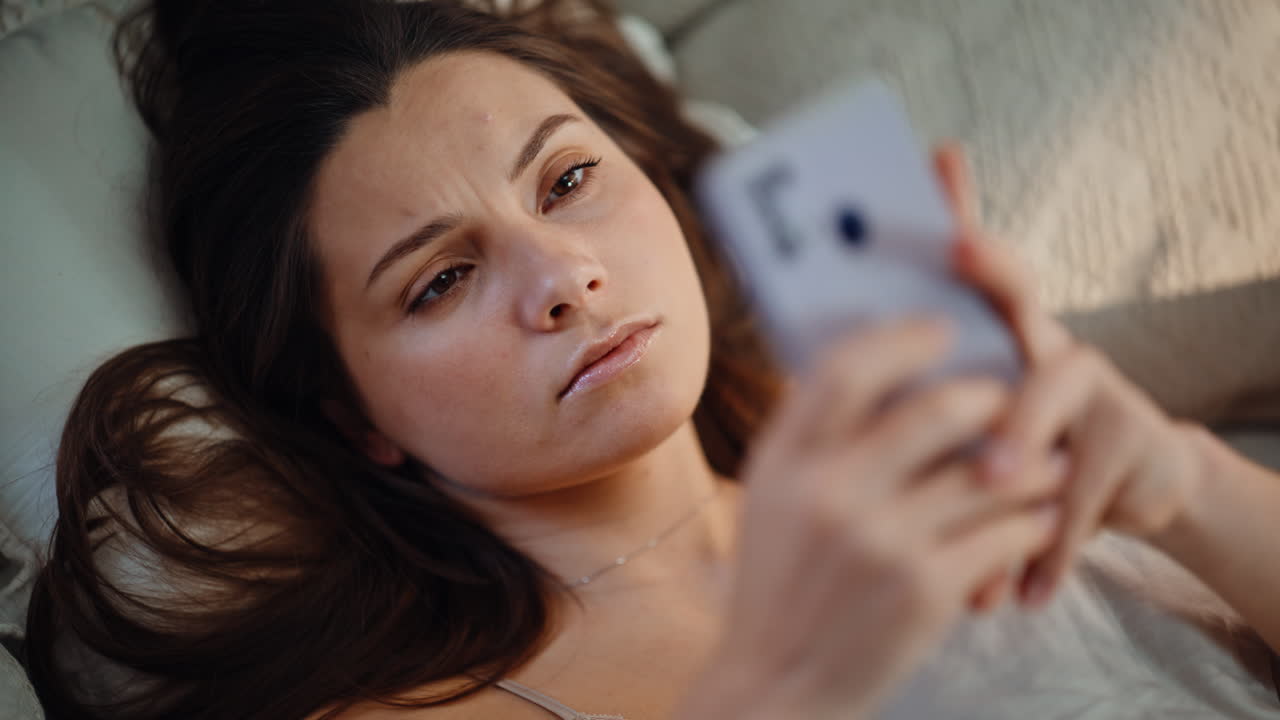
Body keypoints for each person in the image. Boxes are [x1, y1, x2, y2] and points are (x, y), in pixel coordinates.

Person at [21, 1, 1280, 718]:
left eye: (568, 180)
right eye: (441, 279)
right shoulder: (426, 710)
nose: (561, 277)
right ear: (354, 416)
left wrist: (1178, 482)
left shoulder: (970, 451)